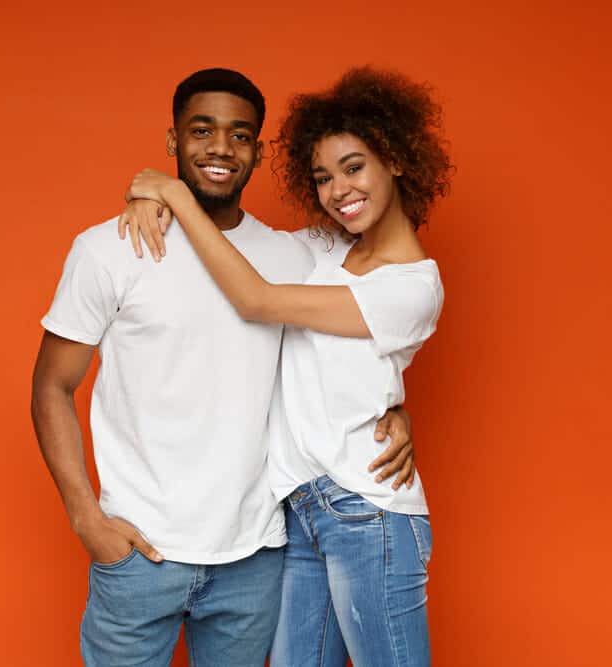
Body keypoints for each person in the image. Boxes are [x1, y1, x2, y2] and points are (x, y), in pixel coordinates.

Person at [30, 68, 416, 667]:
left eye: (239, 136)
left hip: (256, 558)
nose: (219, 147)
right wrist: (87, 519)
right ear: (171, 142)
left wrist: (391, 406)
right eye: (201, 129)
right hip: (138, 552)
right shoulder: (107, 249)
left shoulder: (293, 255)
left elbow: (380, 304)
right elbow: (52, 386)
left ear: (258, 152)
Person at [120, 66, 452, 667]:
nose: (338, 191)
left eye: (354, 168)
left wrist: (170, 192)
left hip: (367, 515)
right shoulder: (326, 248)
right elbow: (240, 248)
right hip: (300, 511)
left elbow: (256, 299)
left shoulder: (412, 286)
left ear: (397, 161)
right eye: (323, 177)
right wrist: (153, 193)